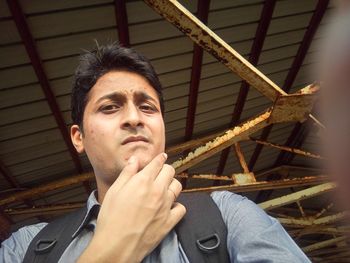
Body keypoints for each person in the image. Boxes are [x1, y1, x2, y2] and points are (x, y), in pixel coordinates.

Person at [0, 43, 310, 262]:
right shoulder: (28, 246)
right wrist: (110, 252)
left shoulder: (228, 215)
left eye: (147, 107)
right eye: (110, 107)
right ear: (78, 137)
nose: (135, 118)